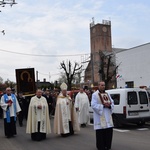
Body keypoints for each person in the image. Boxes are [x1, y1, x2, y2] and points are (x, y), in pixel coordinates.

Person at [91, 81, 114, 150]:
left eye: (104, 85)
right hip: (100, 116)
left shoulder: (107, 94)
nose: (103, 86)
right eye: (101, 85)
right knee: (100, 133)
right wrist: (102, 106)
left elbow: (112, 102)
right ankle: (101, 146)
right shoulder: (95, 95)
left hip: (107, 116)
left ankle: (108, 146)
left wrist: (110, 106)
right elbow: (93, 105)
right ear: (98, 86)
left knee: (108, 132)